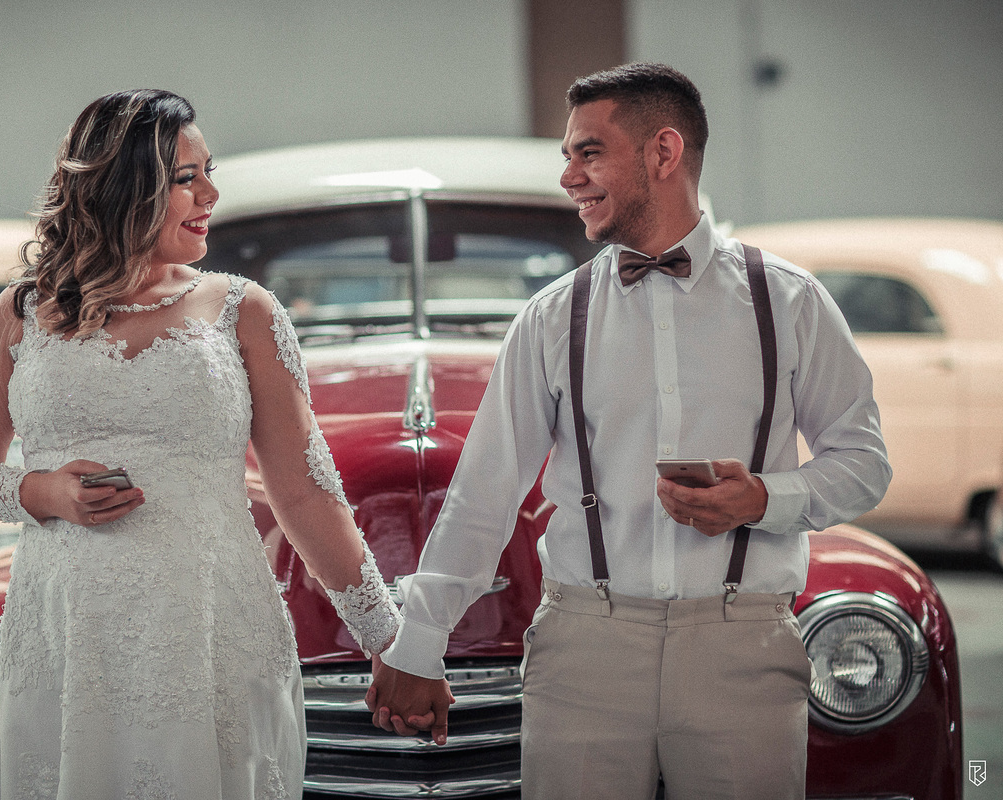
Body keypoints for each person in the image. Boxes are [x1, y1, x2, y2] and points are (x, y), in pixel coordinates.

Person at [366, 63, 891, 799]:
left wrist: (763, 499)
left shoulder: (790, 303)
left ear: (663, 154)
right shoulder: (553, 317)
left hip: (744, 646)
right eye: (566, 157)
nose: (569, 177)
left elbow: (864, 463)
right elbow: (485, 493)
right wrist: (418, 643)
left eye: (588, 152)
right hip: (587, 651)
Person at [0, 89, 401, 800]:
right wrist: (41, 491)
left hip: (210, 629)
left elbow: (305, 489)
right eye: (186, 178)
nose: (210, 193)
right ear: (122, 190)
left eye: (209, 172)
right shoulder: (20, 314)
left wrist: (393, 644)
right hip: (64, 638)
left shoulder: (243, 311)